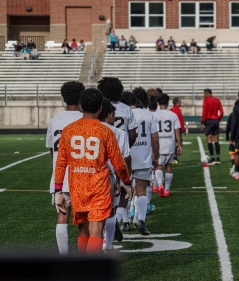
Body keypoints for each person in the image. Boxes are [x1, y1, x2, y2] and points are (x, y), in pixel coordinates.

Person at [53, 88, 132, 254]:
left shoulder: (69, 130)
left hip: (78, 186)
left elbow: (60, 163)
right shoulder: (105, 132)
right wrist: (127, 182)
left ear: (81, 106)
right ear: (101, 108)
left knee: (83, 228)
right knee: (96, 228)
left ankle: (83, 268)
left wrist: (58, 190)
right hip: (98, 187)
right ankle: (91, 269)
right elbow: (119, 162)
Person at [46, 81, 85, 255]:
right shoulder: (85, 119)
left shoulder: (55, 120)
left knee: (62, 217)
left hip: (60, 177)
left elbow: (52, 152)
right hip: (82, 176)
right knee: (83, 221)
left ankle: (64, 258)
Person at [98, 98, 131, 252]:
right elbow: (121, 160)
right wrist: (123, 181)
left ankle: (94, 248)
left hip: (85, 176)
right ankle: (108, 245)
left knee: (92, 217)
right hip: (110, 177)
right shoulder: (118, 132)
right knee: (110, 211)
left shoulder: (89, 129)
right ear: (110, 115)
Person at [130, 87, 160, 235]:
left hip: (127, 157)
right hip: (143, 157)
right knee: (141, 191)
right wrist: (156, 156)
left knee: (124, 191)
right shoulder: (148, 115)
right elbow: (155, 138)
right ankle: (141, 220)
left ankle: (123, 220)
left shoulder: (125, 114)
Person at [152, 94, 182, 197]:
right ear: (168, 103)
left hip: (158, 144)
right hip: (170, 143)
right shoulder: (173, 115)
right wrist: (179, 145)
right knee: (169, 165)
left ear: (158, 103)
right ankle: (167, 189)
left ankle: (160, 185)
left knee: (159, 166)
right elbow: (177, 131)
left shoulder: (154, 115)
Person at [97, 77, 138, 148]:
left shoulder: (97, 107)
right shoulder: (126, 108)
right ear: (119, 91)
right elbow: (132, 136)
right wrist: (125, 149)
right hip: (120, 148)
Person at [201, 88, 224, 164]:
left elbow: (204, 112)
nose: (204, 95)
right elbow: (222, 112)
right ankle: (218, 158)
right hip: (216, 120)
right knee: (216, 139)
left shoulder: (206, 100)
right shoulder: (217, 100)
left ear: (207, 94)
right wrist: (218, 119)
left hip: (209, 121)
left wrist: (202, 122)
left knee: (209, 139)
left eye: (204, 94)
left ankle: (212, 158)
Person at [170, 97, 186, 164]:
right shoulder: (178, 110)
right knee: (179, 143)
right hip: (177, 129)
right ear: (178, 103)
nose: (181, 103)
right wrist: (183, 129)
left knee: (173, 143)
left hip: (170, 129)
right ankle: (175, 158)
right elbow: (180, 120)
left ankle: (173, 157)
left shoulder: (170, 110)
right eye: (180, 101)